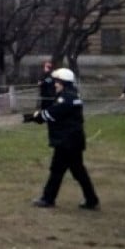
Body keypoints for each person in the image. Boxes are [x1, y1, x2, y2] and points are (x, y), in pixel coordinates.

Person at [31, 68, 99, 210]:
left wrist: (35, 116)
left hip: (67, 141)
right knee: (78, 171)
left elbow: (52, 113)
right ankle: (91, 199)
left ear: (63, 82)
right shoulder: (72, 94)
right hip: (72, 140)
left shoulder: (66, 98)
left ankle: (48, 199)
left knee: (58, 170)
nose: (55, 84)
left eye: (57, 82)